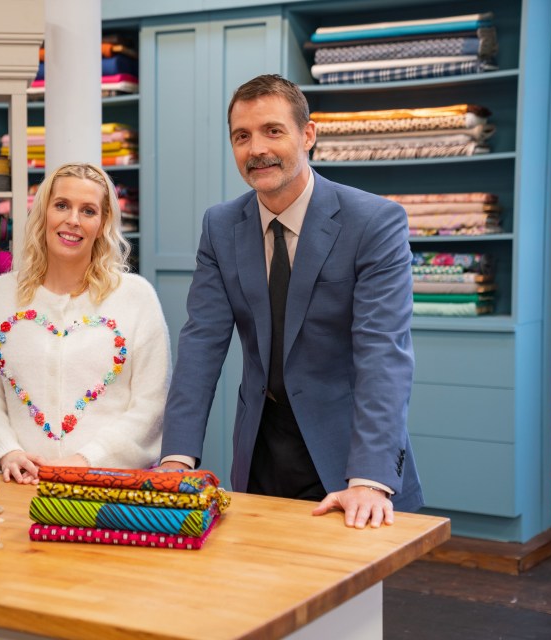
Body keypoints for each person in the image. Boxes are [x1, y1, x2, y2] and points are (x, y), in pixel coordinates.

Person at [158, 74, 423, 528]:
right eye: (242, 136)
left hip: (348, 457)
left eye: (272, 130)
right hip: (259, 452)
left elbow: (383, 352)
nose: (256, 148)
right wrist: (176, 459)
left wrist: (369, 479)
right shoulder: (220, 226)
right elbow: (202, 343)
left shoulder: (374, 222)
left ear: (308, 134)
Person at [0, 162, 171, 483]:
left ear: (103, 224)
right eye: (62, 206)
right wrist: (7, 451)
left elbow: (151, 407)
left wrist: (85, 461)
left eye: (88, 211)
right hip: (18, 485)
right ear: (43, 213)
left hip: (108, 486)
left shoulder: (136, 298)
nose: (73, 220)